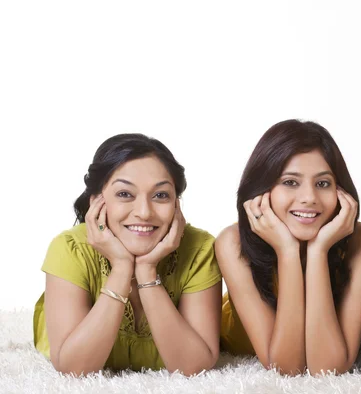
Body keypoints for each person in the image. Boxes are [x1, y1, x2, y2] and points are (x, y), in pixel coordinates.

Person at [33, 134, 222, 376]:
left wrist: (146, 272)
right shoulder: (69, 248)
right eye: (125, 194)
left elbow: (195, 367)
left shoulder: (200, 249)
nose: (144, 212)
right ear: (97, 203)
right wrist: (122, 268)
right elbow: (74, 369)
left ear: (177, 205)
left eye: (161, 195)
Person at [218, 119, 361, 375]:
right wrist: (287, 251)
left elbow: (326, 368)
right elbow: (286, 367)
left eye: (323, 183)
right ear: (262, 190)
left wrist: (318, 251)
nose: (309, 198)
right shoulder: (232, 243)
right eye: (290, 182)